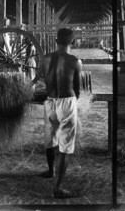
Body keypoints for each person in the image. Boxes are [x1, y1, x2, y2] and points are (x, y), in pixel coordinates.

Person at [38, 28, 82, 199]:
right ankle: (58, 189)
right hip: (67, 103)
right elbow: (77, 88)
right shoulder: (75, 61)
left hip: (50, 101)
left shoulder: (46, 58)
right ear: (72, 42)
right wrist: (73, 103)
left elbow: (41, 77)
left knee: (50, 140)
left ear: (56, 40)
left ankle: (50, 171)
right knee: (65, 146)